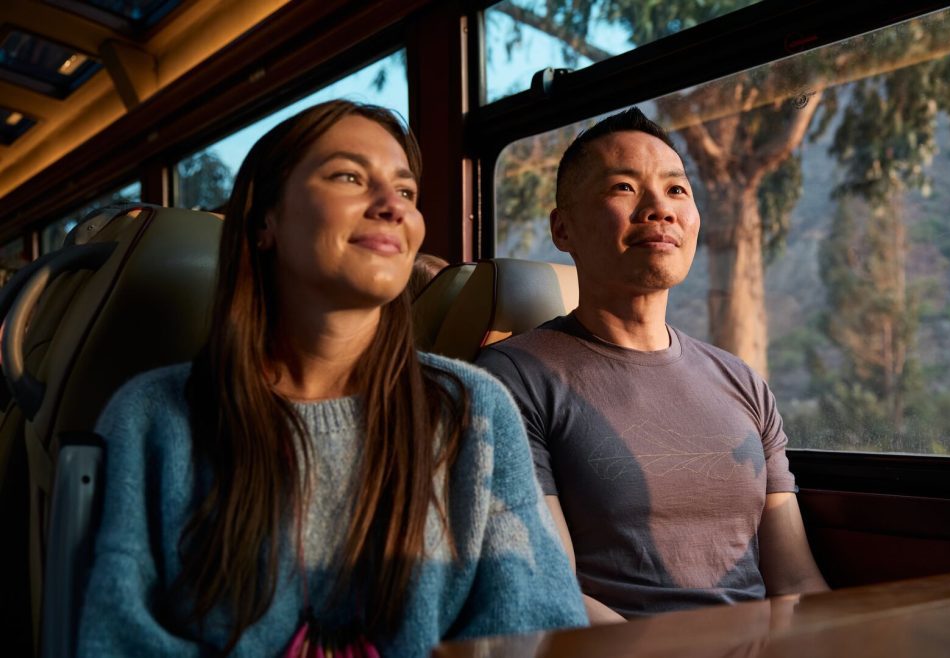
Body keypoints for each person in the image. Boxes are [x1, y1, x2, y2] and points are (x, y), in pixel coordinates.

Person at [78, 100, 586, 656]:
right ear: (265, 220)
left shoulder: (470, 410)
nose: (393, 206)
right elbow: (118, 637)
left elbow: (531, 627)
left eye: (408, 191)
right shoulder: (153, 418)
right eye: (349, 176)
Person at [477, 108, 828, 624]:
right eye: (623, 187)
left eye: (677, 190)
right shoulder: (511, 378)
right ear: (563, 227)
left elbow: (797, 582)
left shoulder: (742, 383)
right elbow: (550, 592)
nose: (659, 209)